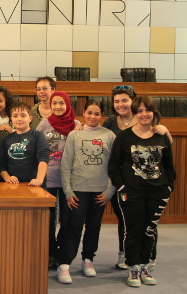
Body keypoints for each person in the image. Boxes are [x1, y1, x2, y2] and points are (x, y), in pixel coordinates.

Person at [75, 85, 172, 271]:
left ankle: (149, 256)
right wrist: (81, 126)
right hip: (122, 182)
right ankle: (124, 253)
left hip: (147, 183)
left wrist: (163, 129)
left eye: (124, 100)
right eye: (117, 101)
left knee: (148, 222)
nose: (121, 104)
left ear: (133, 101)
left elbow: (166, 147)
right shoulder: (111, 122)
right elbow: (95, 132)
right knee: (126, 221)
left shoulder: (148, 121)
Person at [108, 95, 175, 288]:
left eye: (148, 110)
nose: (144, 114)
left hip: (157, 192)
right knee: (133, 230)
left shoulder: (161, 135)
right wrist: (122, 186)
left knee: (149, 230)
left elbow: (169, 165)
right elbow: (114, 166)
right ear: (135, 114)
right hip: (132, 192)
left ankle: (145, 265)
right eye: (139, 111)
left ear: (154, 112)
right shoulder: (124, 137)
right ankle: (133, 267)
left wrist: (168, 187)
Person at [56, 99, 116, 284]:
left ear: (102, 116)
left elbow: (115, 166)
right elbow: (65, 165)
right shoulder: (75, 135)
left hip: (100, 191)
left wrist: (109, 191)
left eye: (97, 114)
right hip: (78, 190)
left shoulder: (109, 135)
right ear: (84, 113)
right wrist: (68, 191)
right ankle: (64, 264)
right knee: (74, 226)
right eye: (89, 113)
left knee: (94, 226)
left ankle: (88, 260)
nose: (92, 117)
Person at [36, 91, 80, 270]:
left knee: (68, 220)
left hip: (70, 181)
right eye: (55, 103)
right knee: (48, 220)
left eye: (62, 103)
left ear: (68, 104)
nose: (58, 107)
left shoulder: (77, 125)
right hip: (49, 179)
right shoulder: (44, 124)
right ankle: (51, 253)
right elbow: (37, 148)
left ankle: (63, 254)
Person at [0, 102, 49, 185]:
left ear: (30, 118)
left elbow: (43, 159)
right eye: (15, 116)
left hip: (34, 184)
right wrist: (7, 178)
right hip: (12, 185)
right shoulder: (7, 139)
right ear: (11, 119)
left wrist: (39, 179)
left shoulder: (38, 136)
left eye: (23, 115)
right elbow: (0, 164)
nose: (19, 119)